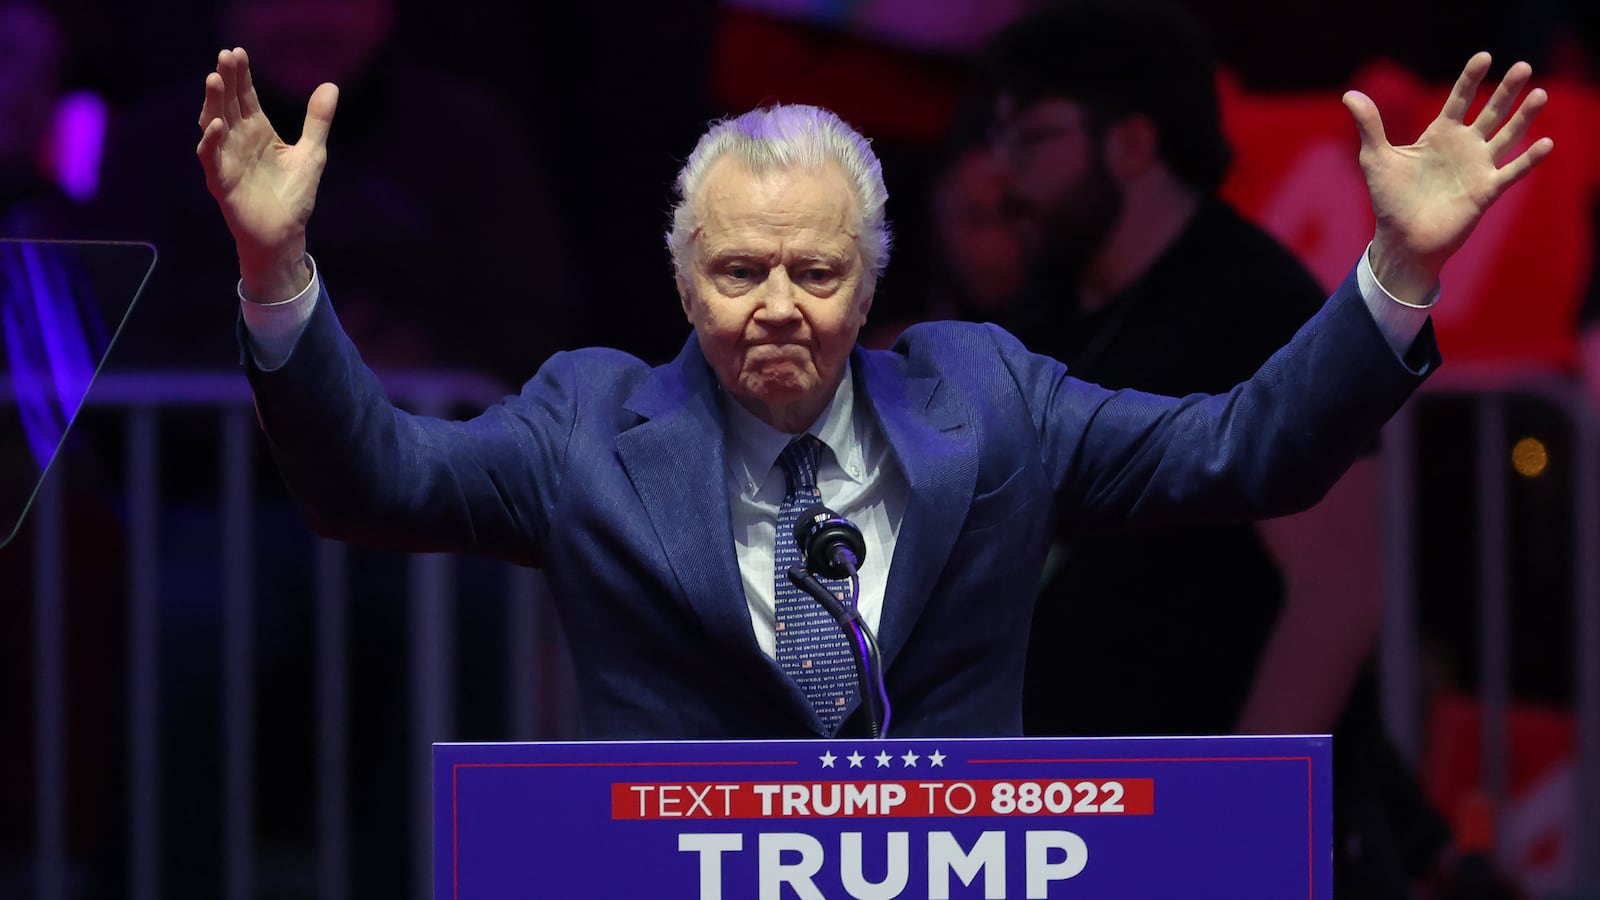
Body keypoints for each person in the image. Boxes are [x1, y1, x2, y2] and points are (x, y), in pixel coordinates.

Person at [194, 43, 1548, 739]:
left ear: (871, 283)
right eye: (739, 270)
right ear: (683, 283)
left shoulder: (992, 399)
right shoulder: (583, 428)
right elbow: (375, 480)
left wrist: (1397, 269)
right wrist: (274, 269)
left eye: (816, 269)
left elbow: (1250, 451)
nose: (778, 302)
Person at [981, 4, 1451, 895]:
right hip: (1086, 825)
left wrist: (1231, 817)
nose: (1006, 172)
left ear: (1130, 143)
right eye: (999, 137)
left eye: (1032, 136)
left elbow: (1341, 594)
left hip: (1226, 834)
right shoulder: (1044, 316)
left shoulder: (1253, 302)